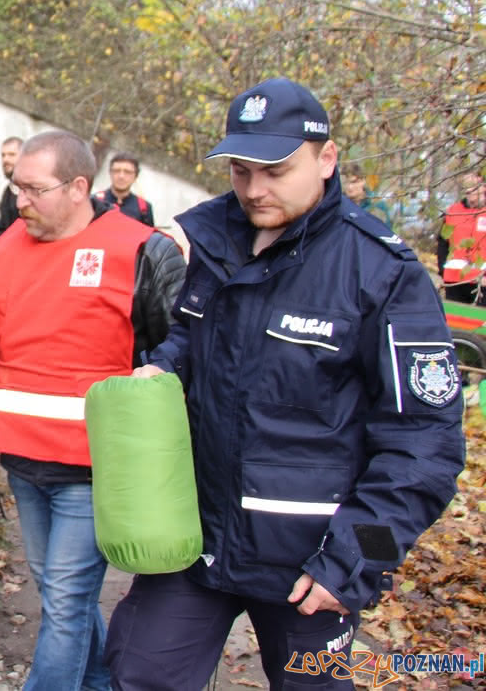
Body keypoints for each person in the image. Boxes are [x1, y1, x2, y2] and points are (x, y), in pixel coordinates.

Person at [104, 78, 464, 691]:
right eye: (241, 171)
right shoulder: (205, 242)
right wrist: (161, 368)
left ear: (326, 160)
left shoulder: (382, 272)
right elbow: (185, 341)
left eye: (275, 170)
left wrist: (354, 561)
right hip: (194, 545)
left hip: (312, 565)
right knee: (139, 674)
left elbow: (425, 445)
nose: (254, 189)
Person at [0, 130, 186, 691]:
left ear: (78, 188)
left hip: (96, 464)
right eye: (15, 187)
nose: (18, 200)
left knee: (67, 601)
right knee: (57, 591)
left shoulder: (143, 250)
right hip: (25, 459)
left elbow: (184, 345)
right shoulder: (4, 253)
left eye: (32, 188)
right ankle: (100, 684)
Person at [437, 172, 486, 305]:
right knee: (455, 323)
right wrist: (443, 271)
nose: (471, 196)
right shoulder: (453, 212)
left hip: (481, 282)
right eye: (468, 191)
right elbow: (442, 244)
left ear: (483, 187)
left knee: (480, 323)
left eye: (475, 190)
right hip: (454, 281)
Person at [92, 152, 155, 227]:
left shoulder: (144, 208)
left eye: (127, 172)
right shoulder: (95, 201)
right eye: (117, 171)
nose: (121, 176)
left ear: (136, 176)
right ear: (110, 173)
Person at [342, 162, 392, 227]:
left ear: (363, 181)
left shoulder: (377, 204)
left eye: (354, 182)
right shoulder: (337, 205)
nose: (350, 187)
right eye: (346, 183)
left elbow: (386, 233)